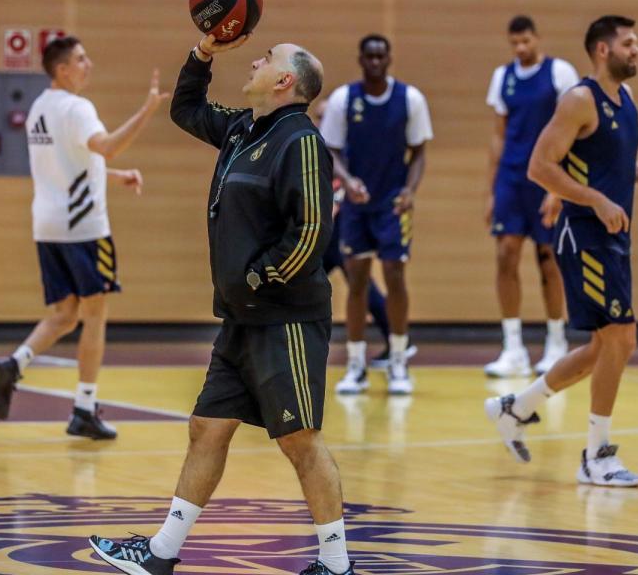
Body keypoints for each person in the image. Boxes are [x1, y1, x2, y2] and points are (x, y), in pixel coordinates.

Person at [88, 34, 355, 575]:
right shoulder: (242, 129)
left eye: (267, 59)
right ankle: (161, 554)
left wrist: (259, 276)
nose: (255, 60)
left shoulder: (301, 141)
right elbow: (186, 109)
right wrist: (202, 52)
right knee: (206, 428)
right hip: (241, 321)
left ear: (285, 81)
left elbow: (311, 232)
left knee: (300, 440)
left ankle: (337, 564)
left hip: (287, 320)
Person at [484, 16, 638, 487]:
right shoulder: (579, 99)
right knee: (622, 338)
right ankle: (597, 456)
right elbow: (539, 167)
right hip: (584, 236)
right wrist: (594, 199)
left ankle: (515, 408)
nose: (637, 50)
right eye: (629, 43)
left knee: (601, 347)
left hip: (612, 237)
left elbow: (608, 163)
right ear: (603, 50)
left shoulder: (624, 101)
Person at [0, 36, 170, 439]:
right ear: (63, 69)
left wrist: (116, 178)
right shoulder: (78, 108)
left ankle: (13, 365)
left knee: (64, 314)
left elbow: (69, 163)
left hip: (47, 226)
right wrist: (146, 110)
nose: (90, 64)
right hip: (84, 228)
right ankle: (84, 407)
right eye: (82, 59)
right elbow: (107, 148)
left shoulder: (39, 108)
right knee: (95, 315)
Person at [321, 34, 434, 395]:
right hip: (357, 203)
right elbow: (332, 150)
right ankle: (356, 365)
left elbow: (418, 152)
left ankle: (398, 361)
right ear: (360, 59)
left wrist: (409, 191)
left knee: (396, 275)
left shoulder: (410, 99)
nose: (374, 61)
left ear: (388, 59)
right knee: (356, 281)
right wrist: (348, 180)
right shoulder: (343, 99)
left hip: (392, 204)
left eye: (380, 56)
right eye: (369, 56)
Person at [484, 15, 579, 377]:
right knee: (506, 253)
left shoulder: (560, 73)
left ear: (538, 38)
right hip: (511, 177)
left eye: (526, 41)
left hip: (547, 175)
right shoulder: (502, 77)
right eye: (515, 43)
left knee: (548, 258)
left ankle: (556, 341)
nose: (521, 49)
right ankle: (513, 348)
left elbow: (571, 131)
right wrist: (491, 189)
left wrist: (559, 186)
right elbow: (498, 135)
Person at [311, 99, 415, 369]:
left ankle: (396, 341)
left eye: (324, 118)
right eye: (318, 117)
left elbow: (343, 187)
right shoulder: (314, 145)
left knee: (360, 285)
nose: (320, 123)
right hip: (326, 230)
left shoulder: (343, 149)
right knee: (358, 286)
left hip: (340, 228)